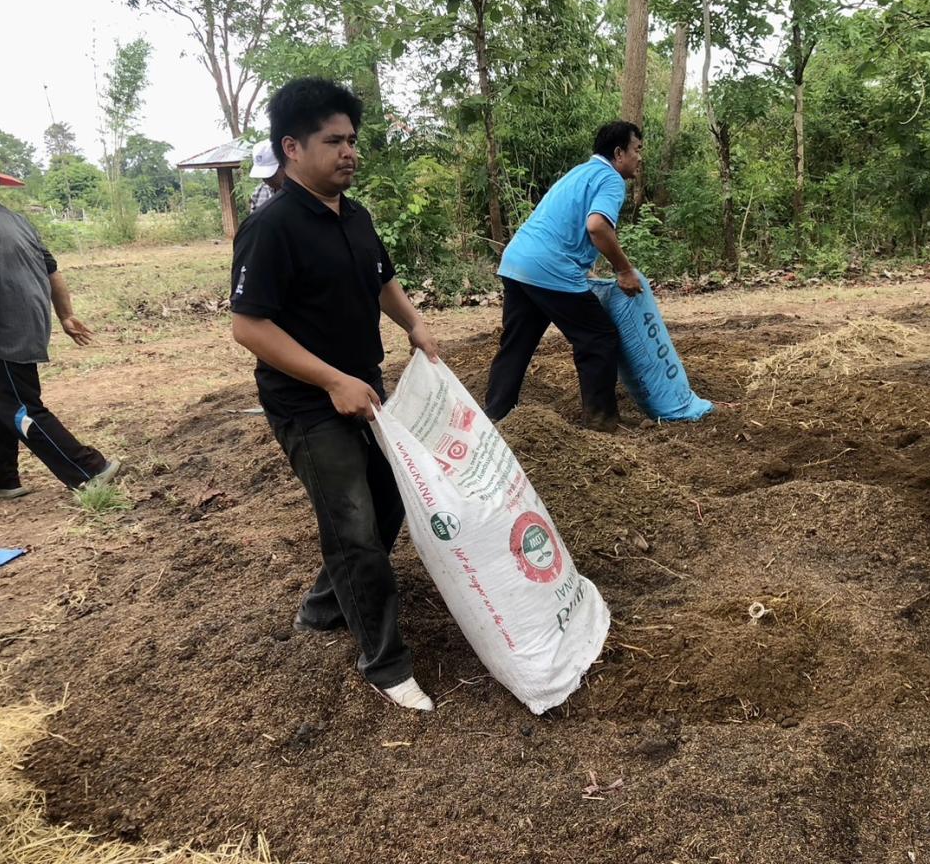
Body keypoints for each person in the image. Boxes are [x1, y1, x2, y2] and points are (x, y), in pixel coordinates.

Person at [229, 78, 441, 712]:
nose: (349, 151)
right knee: (350, 524)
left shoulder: (355, 215)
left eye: (352, 139)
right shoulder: (271, 227)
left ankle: (325, 605)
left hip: (365, 390)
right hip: (308, 404)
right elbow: (249, 326)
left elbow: (382, 279)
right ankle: (386, 662)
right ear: (292, 148)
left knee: (390, 499)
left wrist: (415, 324)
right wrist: (329, 380)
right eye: (333, 141)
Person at [484, 121, 644, 431]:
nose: (639, 157)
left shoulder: (580, 173)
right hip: (548, 268)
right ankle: (601, 421)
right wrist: (624, 270)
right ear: (618, 153)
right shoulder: (611, 179)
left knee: (517, 343)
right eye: (636, 150)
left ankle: (495, 415)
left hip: (517, 261)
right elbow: (597, 226)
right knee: (599, 337)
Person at [0, 172, 119, 500]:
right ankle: (4, 479)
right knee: (2, 401)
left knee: (20, 407)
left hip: (5, 332)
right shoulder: (17, 221)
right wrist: (65, 314)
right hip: (28, 324)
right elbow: (53, 270)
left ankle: (87, 468)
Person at [248, 138, 285, 213]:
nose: (266, 180)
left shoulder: (303, 192)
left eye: (271, 175)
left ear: (283, 165)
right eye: (263, 176)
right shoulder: (259, 192)